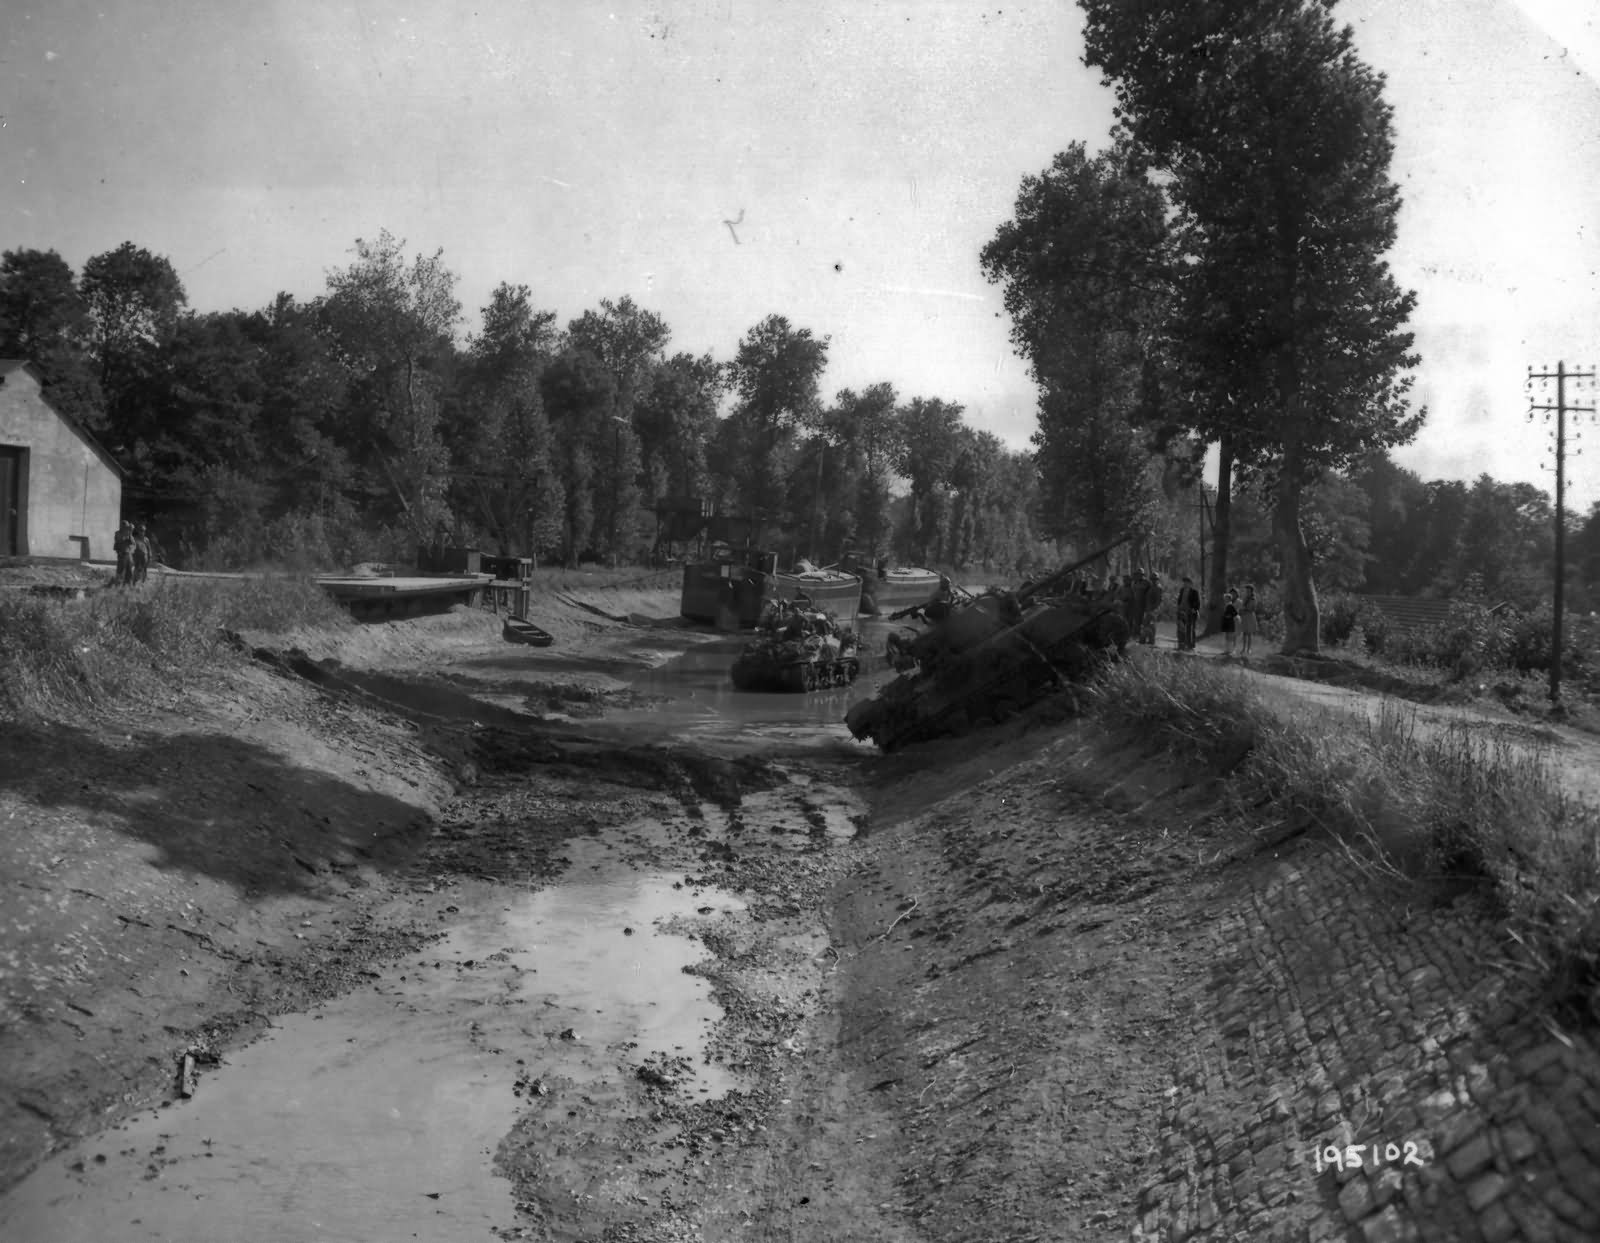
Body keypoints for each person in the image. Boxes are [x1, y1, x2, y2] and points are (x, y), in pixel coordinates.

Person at [1178, 576, 1201, 650]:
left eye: (1186, 582)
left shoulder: (1194, 592)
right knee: (1181, 627)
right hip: (1182, 611)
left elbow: (1197, 602)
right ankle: (1181, 643)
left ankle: (1191, 645)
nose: (1185, 584)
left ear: (1190, 583)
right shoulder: (1182, 590)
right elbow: (1180, 599)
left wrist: (1194, 609)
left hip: (1190, 612)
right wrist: (1178, 607)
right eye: (1184, 582)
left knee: (1190, 629)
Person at [112, 520, 134, 587]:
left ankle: (127, 585)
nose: (125, 528)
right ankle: (117, 585)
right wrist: (126, 536)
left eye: (126, 526)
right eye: (124, 526)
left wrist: (130, 533)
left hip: (128, 554)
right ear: (121, 526)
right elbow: (119, 541)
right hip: (121, 554)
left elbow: (132, 542)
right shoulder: (118, 533)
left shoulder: (128, 533)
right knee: (120, 571)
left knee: (129, 570)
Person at [1240, 585, 1258, 658]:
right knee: (1244, 633)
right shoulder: (1244, 598)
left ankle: (1249, 649)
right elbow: (1242, 606)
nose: (1247, 592)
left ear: (1251, 591)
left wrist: (1245, 609)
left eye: (1248, 591)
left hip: (1250, 616)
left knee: (1249, 633)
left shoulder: (1253, 599)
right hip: (1244, 616)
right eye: (1246, 591)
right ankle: (1243, 648)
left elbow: (1253, 609)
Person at [1221, 588, 1240, 656]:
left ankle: (1230, 650)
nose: (1224, 600)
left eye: (1225, 598)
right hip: (1227, 623)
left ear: (1228, 599)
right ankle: (1227, 649)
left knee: (1229, 636)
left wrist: (1229, 616)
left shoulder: (1230, 605)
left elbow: (1235, 614)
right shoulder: (1227, 605)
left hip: (1230, 623)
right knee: (1227, 636)